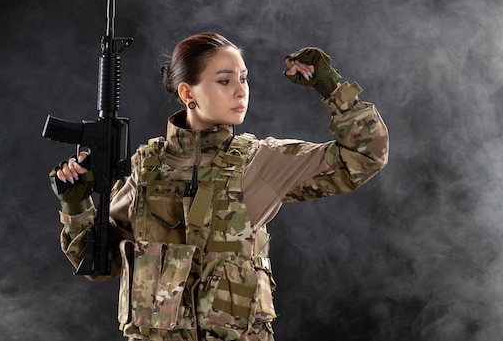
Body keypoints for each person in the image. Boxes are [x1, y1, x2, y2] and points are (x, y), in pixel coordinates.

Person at [49, 32, 389, 341]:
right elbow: (97, 265)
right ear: (187, 93)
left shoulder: (261, 162)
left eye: (243, 79)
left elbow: (363, 156)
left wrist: (331, 87)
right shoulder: (145, 169)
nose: (241, 91)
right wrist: (76, 206)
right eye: (225, 81)